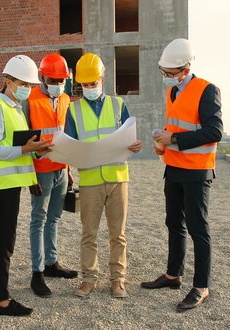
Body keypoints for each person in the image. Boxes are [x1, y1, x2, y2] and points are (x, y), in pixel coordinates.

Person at [141, 38, 223, 311]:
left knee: (199, 229)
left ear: (186, 68)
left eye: (170, 73)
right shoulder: (172, 92)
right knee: (174, 222)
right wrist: (162, 144)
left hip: (197, 172)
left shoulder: (207, 90)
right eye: (163, 72)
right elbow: (175, 127)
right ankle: (173, 275)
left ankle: (201, 287)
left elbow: (214, 132)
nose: (166, 78)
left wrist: (173, 138)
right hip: (174, 168)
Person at [0, 55, 51, 317]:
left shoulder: (15, 109)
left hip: (7, 184)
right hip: (1, 186)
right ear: (7, 81)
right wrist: (24, 148)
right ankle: (3, 301)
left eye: (30, 83)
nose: (28, 88)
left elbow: (17, 149)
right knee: (4, 242)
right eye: (22, 82)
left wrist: (34, 150)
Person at [65, 53, 142, 299]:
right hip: (89, 181)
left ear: (102, 78)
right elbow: (70, 144)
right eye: (85, 85)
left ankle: (118, 280)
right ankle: (88, 279)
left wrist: (133, 146)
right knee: (89, 233)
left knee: (117, 234)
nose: (89, 88)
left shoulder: (119, 105)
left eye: (93, 83)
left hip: (118, 177)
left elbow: (128, 135)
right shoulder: (73, 110)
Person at [21, 53, 79, 298]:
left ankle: (51, 263)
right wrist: (29, 176)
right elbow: (23, 142)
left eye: (61, 80)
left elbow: (66, 136)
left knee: (54, 218)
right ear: (42, 77)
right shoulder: (30, 100)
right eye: (53, 79)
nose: (58, 84)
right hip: (41, 172)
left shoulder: (66, 99)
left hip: (61, 169)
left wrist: (69, 169)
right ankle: (37, 272)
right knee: (38, 219)